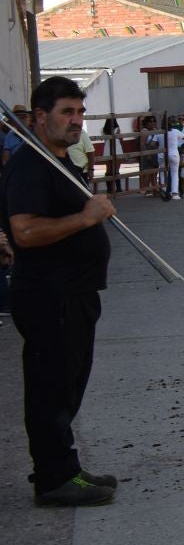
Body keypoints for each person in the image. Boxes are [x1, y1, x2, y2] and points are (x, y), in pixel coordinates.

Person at [4, 76, 119, 506]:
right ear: (39, 116)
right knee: (51, 389)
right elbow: (26, 231)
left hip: (73, 295)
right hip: (50, 297)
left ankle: (64, 466)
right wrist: (87, 219)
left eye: (80, 113)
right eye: (67, 113)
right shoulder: (30, 166)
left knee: (67, 386)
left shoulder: (60, 159)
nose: (76, 121)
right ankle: (54, 479)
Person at [162, 115, 184, 200]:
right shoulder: (175, 131)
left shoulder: (160, 132)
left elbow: (152, 143)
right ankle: (174, 193)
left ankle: (164, 190)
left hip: (163, 155)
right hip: (174, 154)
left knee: (162, 173)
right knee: (174, 174)